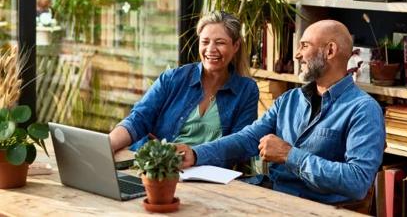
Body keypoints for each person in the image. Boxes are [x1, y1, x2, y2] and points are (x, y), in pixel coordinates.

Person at [176, 20, 386, 204]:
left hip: (316, 208)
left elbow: (357, 181)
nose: (297, 55)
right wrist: (196, 154)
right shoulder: (289, 99)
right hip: (271, 196)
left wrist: (289, 155)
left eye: (304, 46)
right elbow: (248, 139)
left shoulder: (364, 110)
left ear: (330, 51)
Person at [109, 11, 259, 152]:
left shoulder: (246, 91)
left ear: (236, 46)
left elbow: (239, 145)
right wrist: (107, 146)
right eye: (205, 42)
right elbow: (137, 120)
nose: (210, 49)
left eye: (220, 43)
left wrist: (194, 155)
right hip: (161, 168)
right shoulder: (172, 79)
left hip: (206, 175)